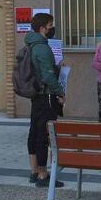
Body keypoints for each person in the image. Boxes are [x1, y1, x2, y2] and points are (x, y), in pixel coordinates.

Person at [25, 12, 66, 188]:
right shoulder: (42, 47)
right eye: (50, 25)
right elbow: (48, 76)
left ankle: (34, 171)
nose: (52, 28)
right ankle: (43, 174)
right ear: (42, 28)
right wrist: (60, 93)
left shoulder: (30, 44)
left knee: (34, 131)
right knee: (44, 134)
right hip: (46, 96)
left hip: (37, 95)